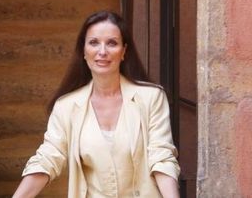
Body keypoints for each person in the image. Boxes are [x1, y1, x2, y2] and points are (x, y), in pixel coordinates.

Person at [13, 10, 180, 198]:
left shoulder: (152, 97)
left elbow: (161, 157)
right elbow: (47, 159)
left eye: (112, 43)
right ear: (83, 51)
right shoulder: (66, 106)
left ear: (124, 51)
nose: (102, 52)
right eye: (94, 43)